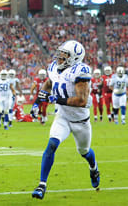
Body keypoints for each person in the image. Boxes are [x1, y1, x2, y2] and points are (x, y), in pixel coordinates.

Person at [32, 40, 99, 200]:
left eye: (65, 55)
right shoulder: (55, 67)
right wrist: (37, 102)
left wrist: (56, 99)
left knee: (84, 152)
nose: (61, 57)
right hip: (62, 116)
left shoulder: (80, 71)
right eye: (61, 53)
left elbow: (81, 101)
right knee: (52, 144)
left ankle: (93, 167)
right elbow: (49, 83)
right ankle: (42, 185)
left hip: (80, 121)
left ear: (75, 58)